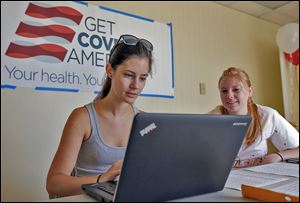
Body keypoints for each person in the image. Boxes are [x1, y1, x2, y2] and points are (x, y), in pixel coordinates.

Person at [46, 34, 153, 197]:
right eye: (128, 75)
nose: (136, 85)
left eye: (143, 78)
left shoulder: (146, 122)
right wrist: (103, 178)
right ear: (110, 71)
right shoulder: (82, 118)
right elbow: (54, 184)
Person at [209, 67, 299, 168]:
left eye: (236, 90)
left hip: (258, 176)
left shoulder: (267, 115)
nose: (229, 95)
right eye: (224, 91)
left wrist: (277, 156)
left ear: (250, 91)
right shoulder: (212, 119)